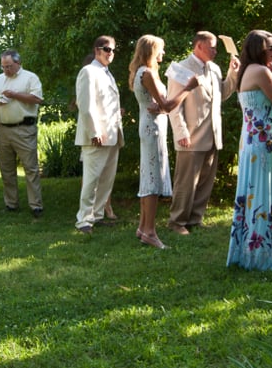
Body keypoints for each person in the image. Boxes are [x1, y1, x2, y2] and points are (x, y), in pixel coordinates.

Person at [225, 30, 272, 271]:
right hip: (264, 144)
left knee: (253, 193)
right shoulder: (262, 72)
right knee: (263, 194)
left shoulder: (245, 71)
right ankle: (259, 256)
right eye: (270, 48)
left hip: (253, 142)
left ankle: (248, 252)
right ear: (258, 50)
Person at [166, 31, 240, 235]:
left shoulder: (214, 69)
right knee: (185, 182)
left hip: (212, 134)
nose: (215, 51)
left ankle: (195, 219)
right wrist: (181, 132)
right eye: (212, 47)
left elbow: (223, 93)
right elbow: (173, 105)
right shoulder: (181, 68)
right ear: (198, 46)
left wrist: (233, 73)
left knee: (205, 180)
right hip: (190, 135)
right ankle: (177, 221)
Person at [128, 35, 199, 249]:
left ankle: (143, 227)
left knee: (148, 175)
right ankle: (150, 231)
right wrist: (188, 88)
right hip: (152, 129)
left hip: (152, 125)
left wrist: (160, 107)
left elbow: (160, 105)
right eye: (161, 49)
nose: (163, 53)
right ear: (151, 51)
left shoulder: (143, 72)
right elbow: (168, 106)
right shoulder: (147, 73)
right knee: (152, 178)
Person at [0, 49, 46, 217]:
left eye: (9, 66)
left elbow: (37, 99)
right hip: (3, 128)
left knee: (30, 168)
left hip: (24, 128)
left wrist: (15, 95)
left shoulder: (30, 78)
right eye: (3, 66)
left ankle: (36, 205)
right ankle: (11, 203)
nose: (6, 70)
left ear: (18, 63)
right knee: (6, 169)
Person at [74, 36, 124, 234]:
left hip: (112, 134)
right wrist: (94, 132)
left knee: (106, 180)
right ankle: (84, 220)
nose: (110, 53)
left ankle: (97, 215)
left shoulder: (107, 73)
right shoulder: (89, 71)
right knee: (91, 180)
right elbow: (85, 105)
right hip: (96, 136)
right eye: (107, 49)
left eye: (113, 50)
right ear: (97, 49)